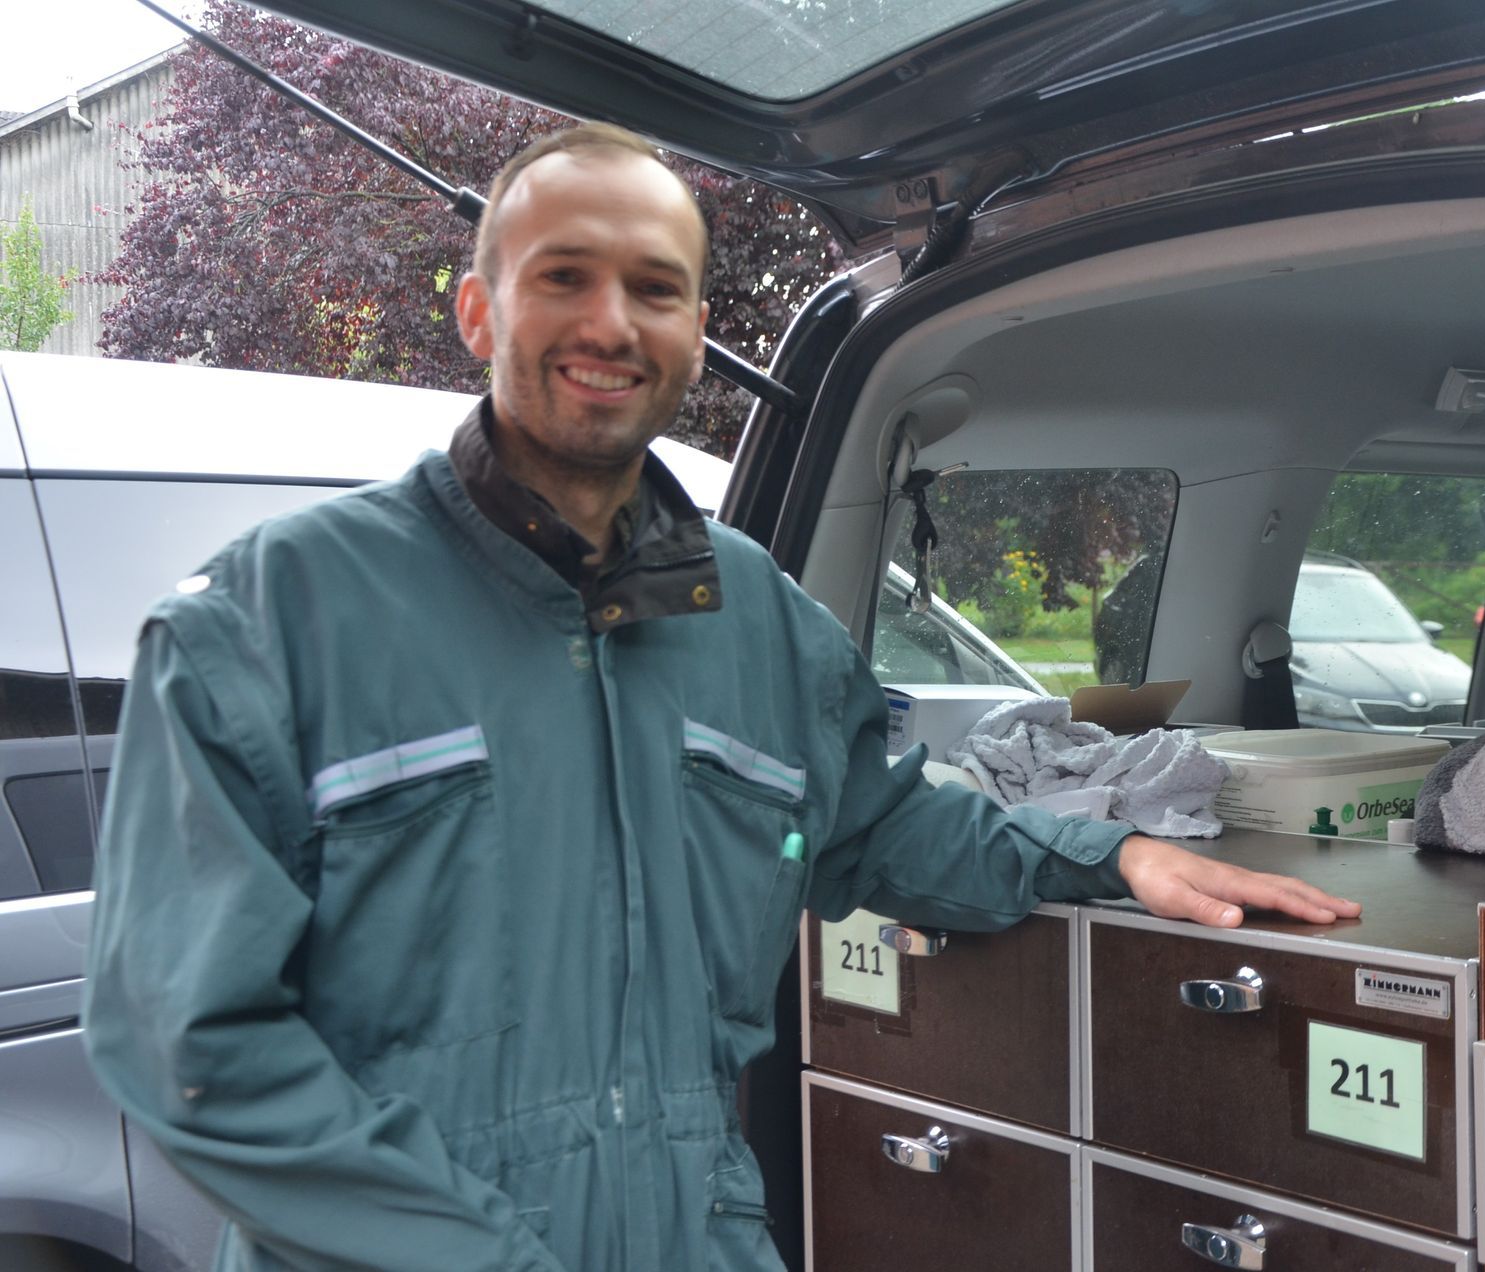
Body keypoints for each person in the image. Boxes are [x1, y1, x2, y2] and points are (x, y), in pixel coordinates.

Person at [83, 123, 1359, 1272]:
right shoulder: (272, 619)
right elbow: (190, 1050)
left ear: (695, 331)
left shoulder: (753, 618)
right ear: (479, 311)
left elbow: (882, 824)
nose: (610, 324)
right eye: (563, 276)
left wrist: (1111, 852)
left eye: (655, 288)